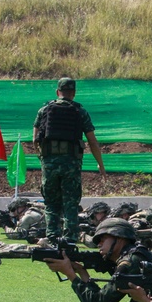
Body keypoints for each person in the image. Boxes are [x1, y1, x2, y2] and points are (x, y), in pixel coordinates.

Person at [33, 77, 106, 243]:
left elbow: (35, 140)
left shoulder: (44, 110)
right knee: (70, 203)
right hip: (71, 165)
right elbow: (92, 141)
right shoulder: (80, 112)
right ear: (74, 93)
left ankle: (52, 238)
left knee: (51, 203)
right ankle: (70, 240)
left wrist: (44, 160)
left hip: (49, 163)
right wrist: (100, 165)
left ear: (57, 92)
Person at [42, 218, 152, 302]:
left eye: (103, 240)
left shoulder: (128, 263)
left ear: (120, 239)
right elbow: (98, 296)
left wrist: (70, 274)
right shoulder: (134, 255)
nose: (99, 245)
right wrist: (81, 271)